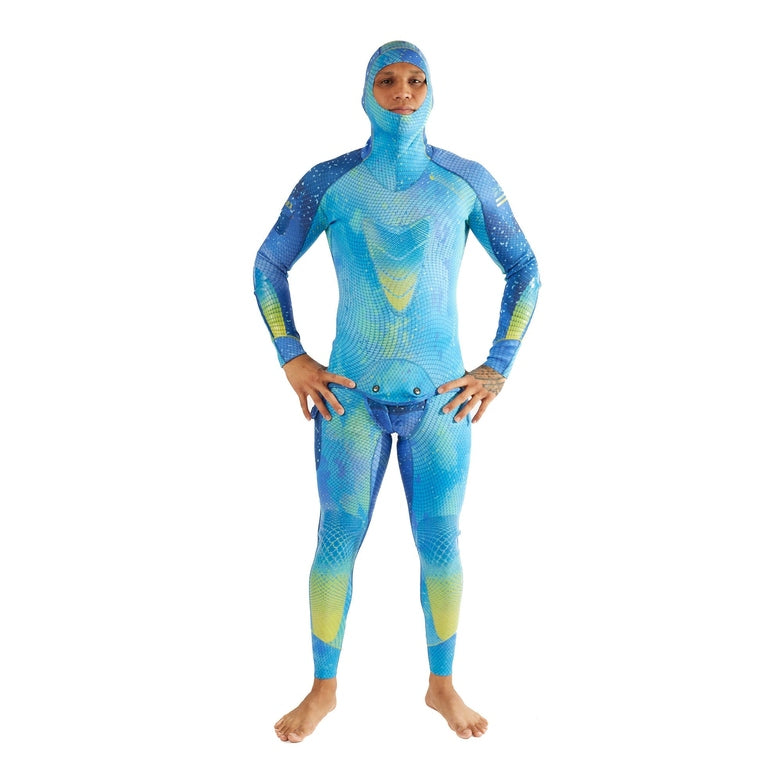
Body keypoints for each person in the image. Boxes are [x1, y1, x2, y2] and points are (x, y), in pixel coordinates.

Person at [253, 41, 539, 742]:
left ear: (432, 90)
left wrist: (497, 365)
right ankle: (323, 690)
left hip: (441, 401)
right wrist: (291, 356)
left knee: (440, 540)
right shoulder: (331, 181)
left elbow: (525, 268)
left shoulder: (465, 180)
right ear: (366, 91)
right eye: (388, 79)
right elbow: (268, 263)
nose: (403, 90)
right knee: (336, 538)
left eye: (416, 79)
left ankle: (442, 686)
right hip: (349, 399)